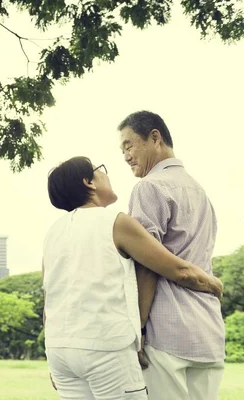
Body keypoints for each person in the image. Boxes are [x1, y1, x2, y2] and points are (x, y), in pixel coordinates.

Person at [42, 156, 223, 400]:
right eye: (100, 170)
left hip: (59, 350)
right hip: (104, 348)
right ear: (89, 183)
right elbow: (177, 270)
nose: (106, 174)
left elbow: (49, 299)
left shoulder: (53, 232)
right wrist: (213, 284)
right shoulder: (115, 222)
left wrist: (53, 353)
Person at [118, 111, 225, 399]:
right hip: (208, 332)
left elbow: (147, 265)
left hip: (167, 332)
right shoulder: (200, 191)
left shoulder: (149, 187)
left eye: (128, 145)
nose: (126, 156)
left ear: (155, 137)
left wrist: (137, 327)